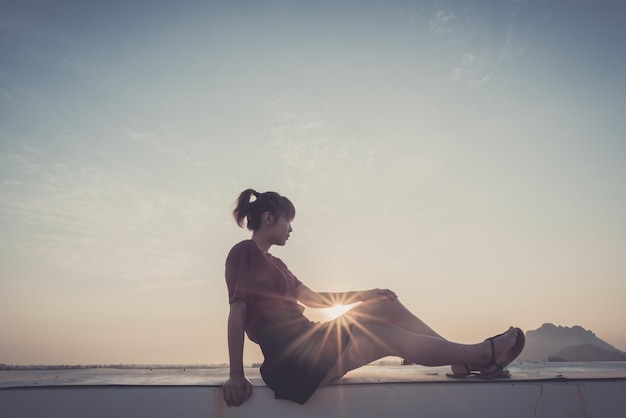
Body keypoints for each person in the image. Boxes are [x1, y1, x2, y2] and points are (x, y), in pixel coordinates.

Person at [222, 189, 525, 406]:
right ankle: (484, 355)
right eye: (288, 220)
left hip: (309, 341)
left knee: (383, 304)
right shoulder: (244, 253)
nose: (291, 229)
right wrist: (236, 374)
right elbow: (237, 313)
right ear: (269, 217)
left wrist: (365, 295)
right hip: (291, 362)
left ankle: (461, 361)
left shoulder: (279, 265)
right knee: (381, 335)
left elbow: (314, 299)